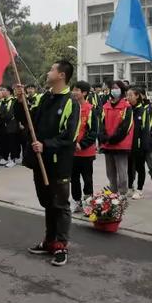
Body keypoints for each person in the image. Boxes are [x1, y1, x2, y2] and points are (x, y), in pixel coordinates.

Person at [15, 60, 80, 267]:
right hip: (40, 161)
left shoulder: (71, 102)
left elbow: (70, 136)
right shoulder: (45, 98)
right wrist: (19, 101)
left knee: (60, 205)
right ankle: (49, 241)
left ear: (61, 75)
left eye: (52, 69)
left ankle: (61, 245)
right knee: (47, 204)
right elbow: (29, 121)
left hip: (58, 163)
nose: (48, 72)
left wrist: (46, 145)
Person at [98, 81, 134, 196]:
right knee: (110, 171)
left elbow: (126, 126)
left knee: (122, 172)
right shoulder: (105, 106)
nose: (114, 90)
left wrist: (114, 138)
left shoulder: (126, 107)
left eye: (116, 88)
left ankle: (123, 193)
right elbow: (101, 123)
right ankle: (113, 193)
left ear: (122, 90)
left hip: (120, 144)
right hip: (107, 144)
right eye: (112, 88)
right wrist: (103, 136)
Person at [71, 80, 98, 213]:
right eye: (73, 90)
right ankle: (77, 202)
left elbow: (93, 132)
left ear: (84, 93)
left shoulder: (90, 109)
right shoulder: (70, 107)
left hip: (86, 152)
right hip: (72, 152)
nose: (74, 92)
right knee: (73, 179)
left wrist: (82, 144)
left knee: (87, 179)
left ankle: (88, 204)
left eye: (77, 90)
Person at [126, 86, 152, 200]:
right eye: (127, 95)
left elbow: (145, 129)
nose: (128, 97)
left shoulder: (143, 110)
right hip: (128, 145)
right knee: (129, 167)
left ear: (137, 96)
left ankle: (140, 189)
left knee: (139, 167)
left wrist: (144, 146)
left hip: (139, 145)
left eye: (130, 95)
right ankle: (129, 187)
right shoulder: (128, 109)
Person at [0, 86, 19, 168]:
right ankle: (4, 157)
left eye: (3, 90)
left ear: (9, 92)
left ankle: (13, 159)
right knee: (4, 142)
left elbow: (10, 114)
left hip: (12, 126)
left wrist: (3, 116)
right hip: (3, 126)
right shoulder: (1, 102)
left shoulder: (14, 101)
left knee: (12, 143)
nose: (1, 92)